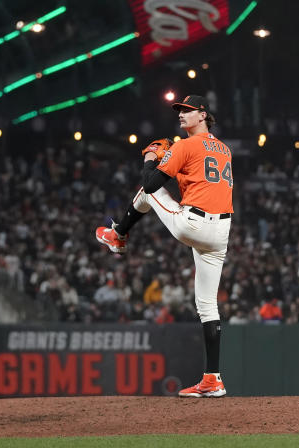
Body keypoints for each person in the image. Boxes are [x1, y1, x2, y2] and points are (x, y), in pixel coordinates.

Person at [96, 94, 232, 398]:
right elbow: (197, 176)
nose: (181, 115)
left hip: (194, 224)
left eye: (187, 111)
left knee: (145, 194)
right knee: (208, 306)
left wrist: (151, 156)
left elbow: (150, 183)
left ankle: (118, 235)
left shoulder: (185, 145)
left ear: (203, 114)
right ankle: (213, 379)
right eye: (179, 111)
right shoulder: (224, 149)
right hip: (221, 231)